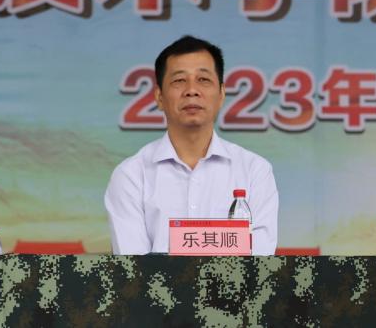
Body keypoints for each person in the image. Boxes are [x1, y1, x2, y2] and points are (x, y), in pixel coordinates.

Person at [104, 35, 279, 255]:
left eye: (203, 79)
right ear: (159, 96)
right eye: (179, 81)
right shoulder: (131, 175)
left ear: (221, 94)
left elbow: (260, 263)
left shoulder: (254, 171)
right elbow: (133, 268)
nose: (192, 90)